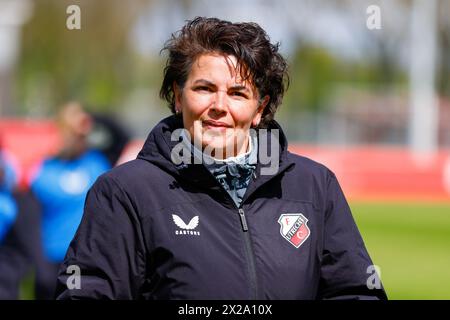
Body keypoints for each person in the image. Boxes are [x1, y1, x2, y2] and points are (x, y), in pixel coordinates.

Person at [55, 17, 387, 300]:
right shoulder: (125, 191)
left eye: (238, 93)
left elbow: (356, 289)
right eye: (204, 88)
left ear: (260, 108)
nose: (219, 106)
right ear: (177, 97)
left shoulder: (315, 186)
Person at [29, 102, 111, 299]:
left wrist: (87, 120)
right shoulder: (43, 170)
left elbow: (119, 132)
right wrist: (39, 264)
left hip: (87, 261)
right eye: (68, 129)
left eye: (78, 130)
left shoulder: (97, 163)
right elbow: (28, 223)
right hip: (51, 263)